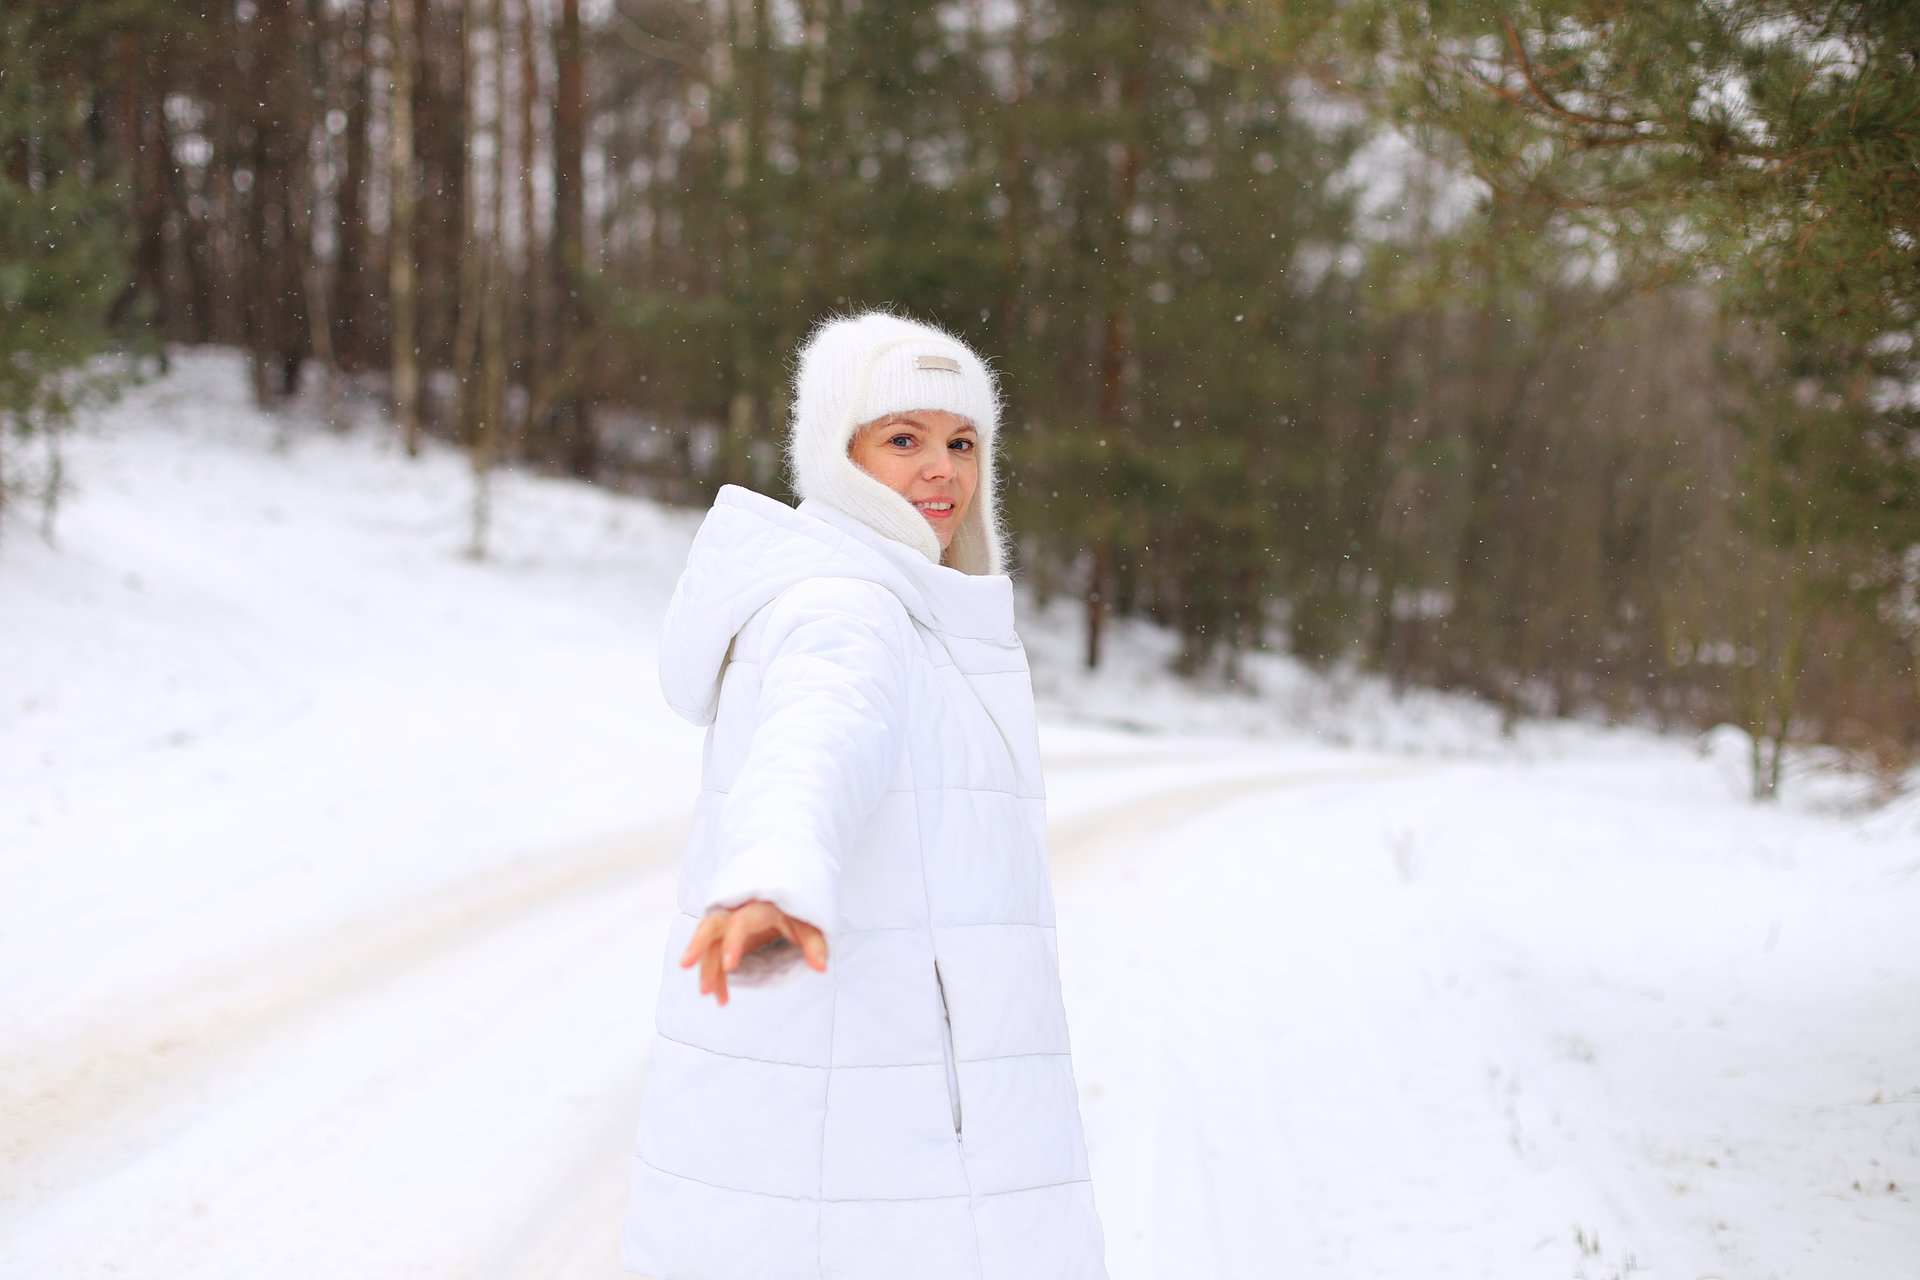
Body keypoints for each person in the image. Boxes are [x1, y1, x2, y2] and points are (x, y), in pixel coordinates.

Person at [619, 310, 1109, 1280]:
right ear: (837, 456)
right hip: (879, 1125)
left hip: (877, 1102)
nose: (942, 471)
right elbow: (817, 739)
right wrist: (774, 874)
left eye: (962, 442)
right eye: (903, 439)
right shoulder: (848, 606)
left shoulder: (903, 603)